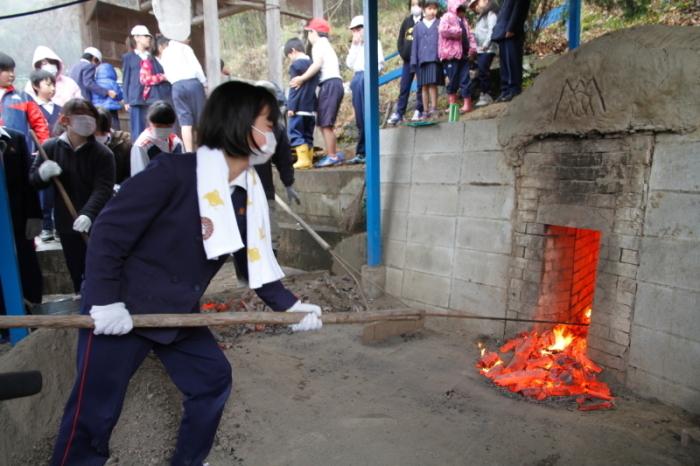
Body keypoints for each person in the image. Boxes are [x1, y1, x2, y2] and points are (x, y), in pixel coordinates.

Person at [50, 81, 322, 466]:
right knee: (94, 409)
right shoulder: (175, 173)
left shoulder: (246, 194)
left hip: (177, 310)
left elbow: (253, 263)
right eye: (267, 122)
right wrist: (107, 301)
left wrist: (291, 306)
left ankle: (189, 461)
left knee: (211, 380)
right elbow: (109, 232)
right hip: (122, 307)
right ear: (240, 125)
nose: (273, 132)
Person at [29, 99, 116, 294]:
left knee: (101, 269)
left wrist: (88, 214)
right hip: (66, 222)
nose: (87, 121)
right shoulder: (50, 148)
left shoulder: (103, 154)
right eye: (81, 117)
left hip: (99, 222)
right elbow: (33, 182)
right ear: (65, 120)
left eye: (90, 117)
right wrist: (42, 174)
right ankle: (82, 304)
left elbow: (103, 188)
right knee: (76, 269)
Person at [0, 126, 43, 343]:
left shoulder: (14, 139)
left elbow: (28, 183)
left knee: (25, 265)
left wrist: (34, 215)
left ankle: (30, 312)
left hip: (16, 219)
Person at [289, 18, 345, 168]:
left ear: (314, 32)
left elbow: (317, 64)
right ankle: (333, 153)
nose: (309, 37)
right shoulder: (327, 46)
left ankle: (332, 156)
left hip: (329, 84)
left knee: (325, 124)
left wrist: (301, 78)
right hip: (336, 84)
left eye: (309, 33)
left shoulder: (318, 45)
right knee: (326, 123)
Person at [345, 15, 385, 164]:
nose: (357, 32)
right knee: (360, 117)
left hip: (367, 76)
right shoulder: (355, 46)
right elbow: (349, 63)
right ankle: (362, 151)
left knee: (368, 114)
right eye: (354, 30)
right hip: (357, 77)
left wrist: (371, 74)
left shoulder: (375, 42)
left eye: (359, 29)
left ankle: (368, 150)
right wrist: (355, 46)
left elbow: (380, 63)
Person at [158, 36, 207, 152]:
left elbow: (168, 74)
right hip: (193, 83)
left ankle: (189, 152)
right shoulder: (185, 48)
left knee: (185, 122)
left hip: (177, 87)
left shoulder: (165, 53)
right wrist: (204, 83)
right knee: (202, 119)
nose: (188, 39)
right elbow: (197, 67)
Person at [30, 69, 62, 242]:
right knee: (45, 193)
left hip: (59, 154)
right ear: (36, 86)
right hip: (41, 156)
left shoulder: (60, 109)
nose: (52, 88)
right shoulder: (31, 109)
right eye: (48, 84)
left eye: (53, 85)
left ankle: (58, 226)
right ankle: (47, 226)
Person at [0, 52, 50, 151]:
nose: (12, 75)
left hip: (18, 153)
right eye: (7, 71)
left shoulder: (24, 98)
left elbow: (40, 125)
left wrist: (46, 149)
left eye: (12, 71)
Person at [387, 0, 425, 125]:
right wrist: (403, 53)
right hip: (408, 61)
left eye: (418, 4)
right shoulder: (407, 22)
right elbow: (400, 40)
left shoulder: (425, 20)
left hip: (421, 60)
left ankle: (419, 109)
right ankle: (400, 112)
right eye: (413, 4)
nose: (415, 7)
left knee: (421, 86)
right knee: (404, 86)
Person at [122, 25, 163, 138]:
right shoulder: (128, 57)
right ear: (137, 38)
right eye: (146, 36)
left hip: (152, 97)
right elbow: (126, 79)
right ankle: (138, 154)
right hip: (136, 98)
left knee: (154, 129)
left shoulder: (152, 58)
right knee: (138, 131)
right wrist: (126, 100)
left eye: (149, 36)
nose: (149, 38)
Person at [284, 38, 318, 170]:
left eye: (289, 56)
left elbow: (294, 88)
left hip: (298, 108)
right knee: (308, 134)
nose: (290, 59)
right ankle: (309, 160)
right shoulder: (313, 65)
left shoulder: (295, 66)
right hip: (310, 109)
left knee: (295, 133)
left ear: (293, 51)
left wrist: (290, 107)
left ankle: (303, 160)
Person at [439, 0, 477, 114]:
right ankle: (452, 104)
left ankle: (467, 104)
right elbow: (443, 30)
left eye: (463, 9)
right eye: (460, 9)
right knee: (453, 80)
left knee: (465, 79)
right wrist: (458, 31)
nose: (462, 12)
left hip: (463, 55)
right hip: (451, 55)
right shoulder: (447, 17)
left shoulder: (464, 20)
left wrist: (473, 48)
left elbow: (470, 36)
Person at [130, 100, 183, 177]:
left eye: (168, 126)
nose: (163, 129)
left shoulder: (176, 143)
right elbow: (139, 178)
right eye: (158, 126)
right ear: (150, 123)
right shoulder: (142, 146)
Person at [492, 0, 531, 102]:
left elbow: (520, 7)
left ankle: (514, 89)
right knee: (504, 63)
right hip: (502, 32)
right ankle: (505, 90)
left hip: (512, 31)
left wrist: (512, 28)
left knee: (512, 62)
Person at [410, 0, 443, 119]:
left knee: (433, 84)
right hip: (421, 61)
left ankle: (434, 107)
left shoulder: (440, 24)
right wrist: (413, 63)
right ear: (424, 10)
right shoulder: (417, 26)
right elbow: (414, 46)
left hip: (434, 59)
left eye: (434, 8)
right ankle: (425, 110)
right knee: (423, 86)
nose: (432, 11)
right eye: (429, 8)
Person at [469, 0, 499, 107]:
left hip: (488, 48)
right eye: (474, 6)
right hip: (481, 49)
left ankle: (487, 94)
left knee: (483, 71)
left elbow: (492, 30)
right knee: (481, 71)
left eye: (477, 3)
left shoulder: (491, 13)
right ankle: (484, 93)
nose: (476, 7)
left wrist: (486, 44)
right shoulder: (481, 16)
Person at [95, 107, 132, 185]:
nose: (98, 136)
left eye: (102, 133)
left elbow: (130, 173)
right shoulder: (85, 143)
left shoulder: (124, 142)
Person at [92, 61, 124, 130]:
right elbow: (120, 95)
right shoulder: (112, 83)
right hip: (111, 109)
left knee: (101, 128)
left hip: (98, 109)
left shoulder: (95, 83)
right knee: (114, 128)